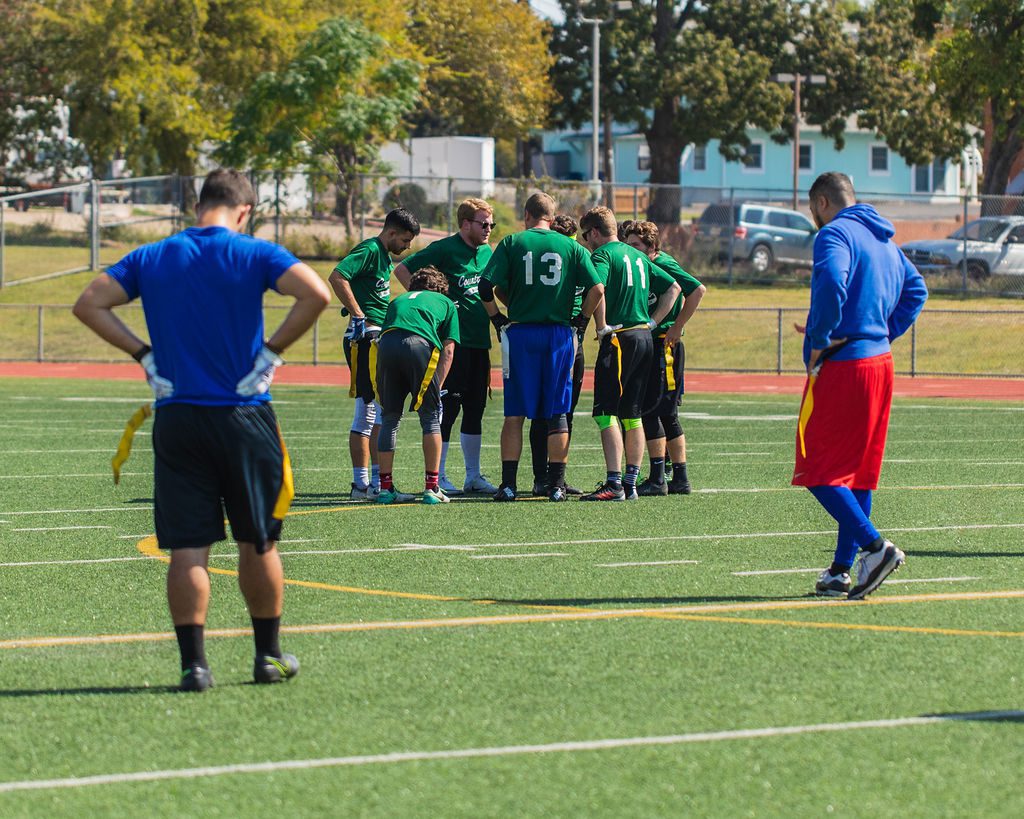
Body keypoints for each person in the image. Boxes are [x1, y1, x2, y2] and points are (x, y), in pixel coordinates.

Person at [71, 168, 331, 691]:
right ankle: (268, 657)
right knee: (258, 540)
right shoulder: (254, 252)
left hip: (178, 416)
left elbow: (88, 303)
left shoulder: (152, 255)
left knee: (188, 547)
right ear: (245, 210)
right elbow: (316, 294)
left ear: (198, 206)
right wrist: (271, 354)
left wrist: (144, 355)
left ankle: (194, 666)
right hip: (244, 413)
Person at [796, 172, 927, 599]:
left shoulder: (834, 234)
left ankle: (875, 547)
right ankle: (840, 571)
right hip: (879, 362)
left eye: (812, 210)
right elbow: (916, 291)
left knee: (816, 467)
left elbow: (833, 281)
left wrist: (820, 339)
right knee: (857, 473)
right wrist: (881, 332)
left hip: (846, 364)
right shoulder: (885, 239)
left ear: (821, 203)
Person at [478, 192, 604, 502]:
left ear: (526, 215)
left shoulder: (512, 242)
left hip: (521, 334)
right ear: (552, 217)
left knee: (515, 413)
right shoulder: (572, 247)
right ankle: (556, 485)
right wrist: (581, 321)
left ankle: (508, 485)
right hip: (559, 335)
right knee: (558, 412)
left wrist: (497, 319)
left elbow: (485, 286)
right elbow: (597, 289)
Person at [392, 198, 497, 496]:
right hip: (452, 342)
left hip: (480, 341)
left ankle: (473, 476)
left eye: (491, 224)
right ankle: (440, 475)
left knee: (475, 408)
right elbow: (403, 269)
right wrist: (431, 304)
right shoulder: (444, 248)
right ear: (465, 224)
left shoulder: (487, 251)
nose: (488, 229)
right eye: (483, 224)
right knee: (447, 408)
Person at [577, 207, 681, 501]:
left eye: (585, 236)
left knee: (605, 413)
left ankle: (614, 483)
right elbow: (673, 288)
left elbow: (597, 289)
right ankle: (630, 483)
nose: (586, 242)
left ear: (594, 232)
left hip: (620, 338)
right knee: (632, 414)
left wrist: (597, 325)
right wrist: (652, 323)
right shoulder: (637, 255)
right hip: (643, 337)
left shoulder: (603, 255)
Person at [328, 208, 420, 501]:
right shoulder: (370, 249)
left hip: (377, 338)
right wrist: (358, 315)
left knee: (378, 409)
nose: (407, 247)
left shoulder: (383, 255)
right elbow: (338, 276)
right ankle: (365, 484)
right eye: (405, 240)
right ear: (391, 232)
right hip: (365, 339)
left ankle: (375, 483)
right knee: (371, 411)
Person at [622, 220, 707, 495]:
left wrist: (677, 326)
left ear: (651, 246)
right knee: (656, 411)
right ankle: (669, 476)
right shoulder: (641, 265)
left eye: (636, 245)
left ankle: (665, 478)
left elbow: (697, 290)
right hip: (653, 343)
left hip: (664, 345)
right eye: (628, 244)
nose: (631, 249)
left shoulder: (662, 263)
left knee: (661, 412)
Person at [374, 265, 459, 505]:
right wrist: (436, 387)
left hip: (386, 346)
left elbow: (386, 336)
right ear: (440, 288)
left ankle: (385, 488)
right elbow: (448, 351)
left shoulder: (398, 300)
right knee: (430, 417)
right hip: (418, 346)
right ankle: (432, 488)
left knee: (390, 418)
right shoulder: (446, 303)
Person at [527, 213, 586, 496]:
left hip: (566, 336)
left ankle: (555, 478)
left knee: (563, 411)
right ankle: (544, 478)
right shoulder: (564, 254)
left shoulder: (576, 255)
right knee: (548, 412)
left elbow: (597, 290)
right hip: (559, 334)